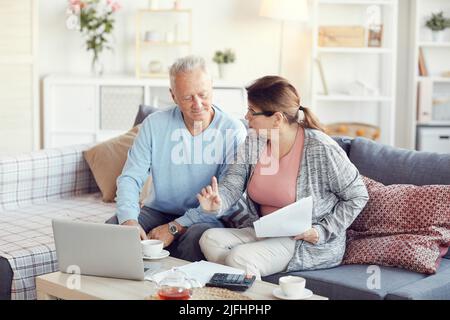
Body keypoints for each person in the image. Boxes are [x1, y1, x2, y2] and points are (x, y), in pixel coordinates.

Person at [197, 76, 369, 276]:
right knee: (209, 239)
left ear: (277, 118)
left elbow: (358, 195)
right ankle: (240, 283)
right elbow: (233, 183)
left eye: (252, 111)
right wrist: (218, 203)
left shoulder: (321, 148)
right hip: (265, 231)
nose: (246, 116)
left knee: (239, 257)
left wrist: (321, 231)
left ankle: (241, 287)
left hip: (303, 240)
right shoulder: (254, 141)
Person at [106, 55, 247, 262]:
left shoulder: (233, 131)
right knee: (113, 231)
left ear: (212, 88)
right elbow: (130, 177)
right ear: (173, 96)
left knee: (195, 239)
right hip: (159, 210)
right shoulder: (154, 125)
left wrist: (175, 227)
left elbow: (227, 194)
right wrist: (128, 220)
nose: (198, 104)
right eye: (188, 97)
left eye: (203, 94)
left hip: (206, 216)